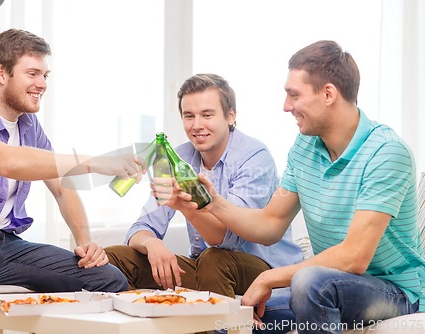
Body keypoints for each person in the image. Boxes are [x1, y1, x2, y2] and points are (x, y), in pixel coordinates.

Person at [166, 41, 425, 333]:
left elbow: (355, 257)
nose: (286, 106)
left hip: (394, 290)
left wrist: (269, 278)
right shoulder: (306, 146)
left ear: (328, 94)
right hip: (331, 283)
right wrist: (213, 203)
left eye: (294, 95)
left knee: (309, 281)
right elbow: (270, 223)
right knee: (227, 316)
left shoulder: (386, 153)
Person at [0, 29, 144, 334]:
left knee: (107, 279)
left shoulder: (29, 126)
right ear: (1, 73)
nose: (42, 84)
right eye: (32, 73)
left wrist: (85, 242)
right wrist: (96, 163)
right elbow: (7, 161)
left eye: (45, 75)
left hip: (5, 245)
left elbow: (61, 187)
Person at [106, 73, 303, 329]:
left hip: (263, 270)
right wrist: (152, 242)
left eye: (207, 115)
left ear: (230, 116)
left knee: (214, 259)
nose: (197, 125)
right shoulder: (179, 156)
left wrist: (184, 207)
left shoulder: (254, 156)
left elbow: (225, 238)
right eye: (189, 116)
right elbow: (141, 227)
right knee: (117, 258)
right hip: (206, 269)